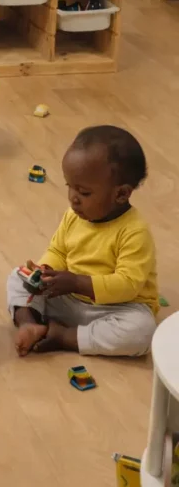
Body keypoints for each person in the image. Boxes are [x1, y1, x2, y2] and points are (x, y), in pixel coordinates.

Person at [8, 125, 158, 358]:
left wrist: (78, 283)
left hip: (118, 308)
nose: (73, 199)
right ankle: (29, 322)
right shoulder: (73, 215)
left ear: (121, 194)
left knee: (143, 331)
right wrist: (45, 270)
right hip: (69, 298)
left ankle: (63, 336)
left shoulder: (134, 231)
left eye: (84, 193)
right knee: (17, 277)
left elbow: (128, 284)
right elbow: (58, 250)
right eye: (70, 187)